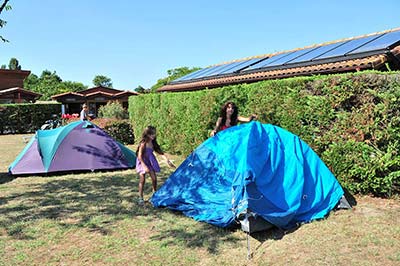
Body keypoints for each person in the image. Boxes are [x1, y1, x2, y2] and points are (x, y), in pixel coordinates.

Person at [136, 125, 176, 204]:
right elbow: (139, 156)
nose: (153, 136)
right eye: (151, 134)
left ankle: (154, 194)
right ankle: (140, 197)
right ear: (147, 134)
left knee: (154, 178)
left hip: (150, 161)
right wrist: (144, 166)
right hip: (142, 161)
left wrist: (167, 160)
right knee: (142, 179)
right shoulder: (143, 143)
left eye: (154, 134)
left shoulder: (153, 143)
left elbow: (160, 152)